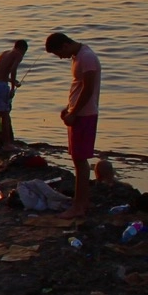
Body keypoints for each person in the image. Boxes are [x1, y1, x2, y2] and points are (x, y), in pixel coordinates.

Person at [46, 32, 102, 219]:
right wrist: (69, 109)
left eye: (58, 53)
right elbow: (79, 88)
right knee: (77, 159)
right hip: (78, 113)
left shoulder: (87, 57)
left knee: (80, 161)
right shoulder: (78, 57)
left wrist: (75, 113)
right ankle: (81, 202)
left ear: (64, 45)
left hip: (84, 115)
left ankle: (79, 206)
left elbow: (88, 88)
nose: (60, 58)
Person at [0, 39, 28, 147]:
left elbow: (0, 71)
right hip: (0, 85)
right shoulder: (18, 54)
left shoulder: (4, 53)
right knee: (4, 114)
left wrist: (12, 81)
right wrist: (12, 88)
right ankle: (7, 143)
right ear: (23, 49)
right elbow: (13, 70)